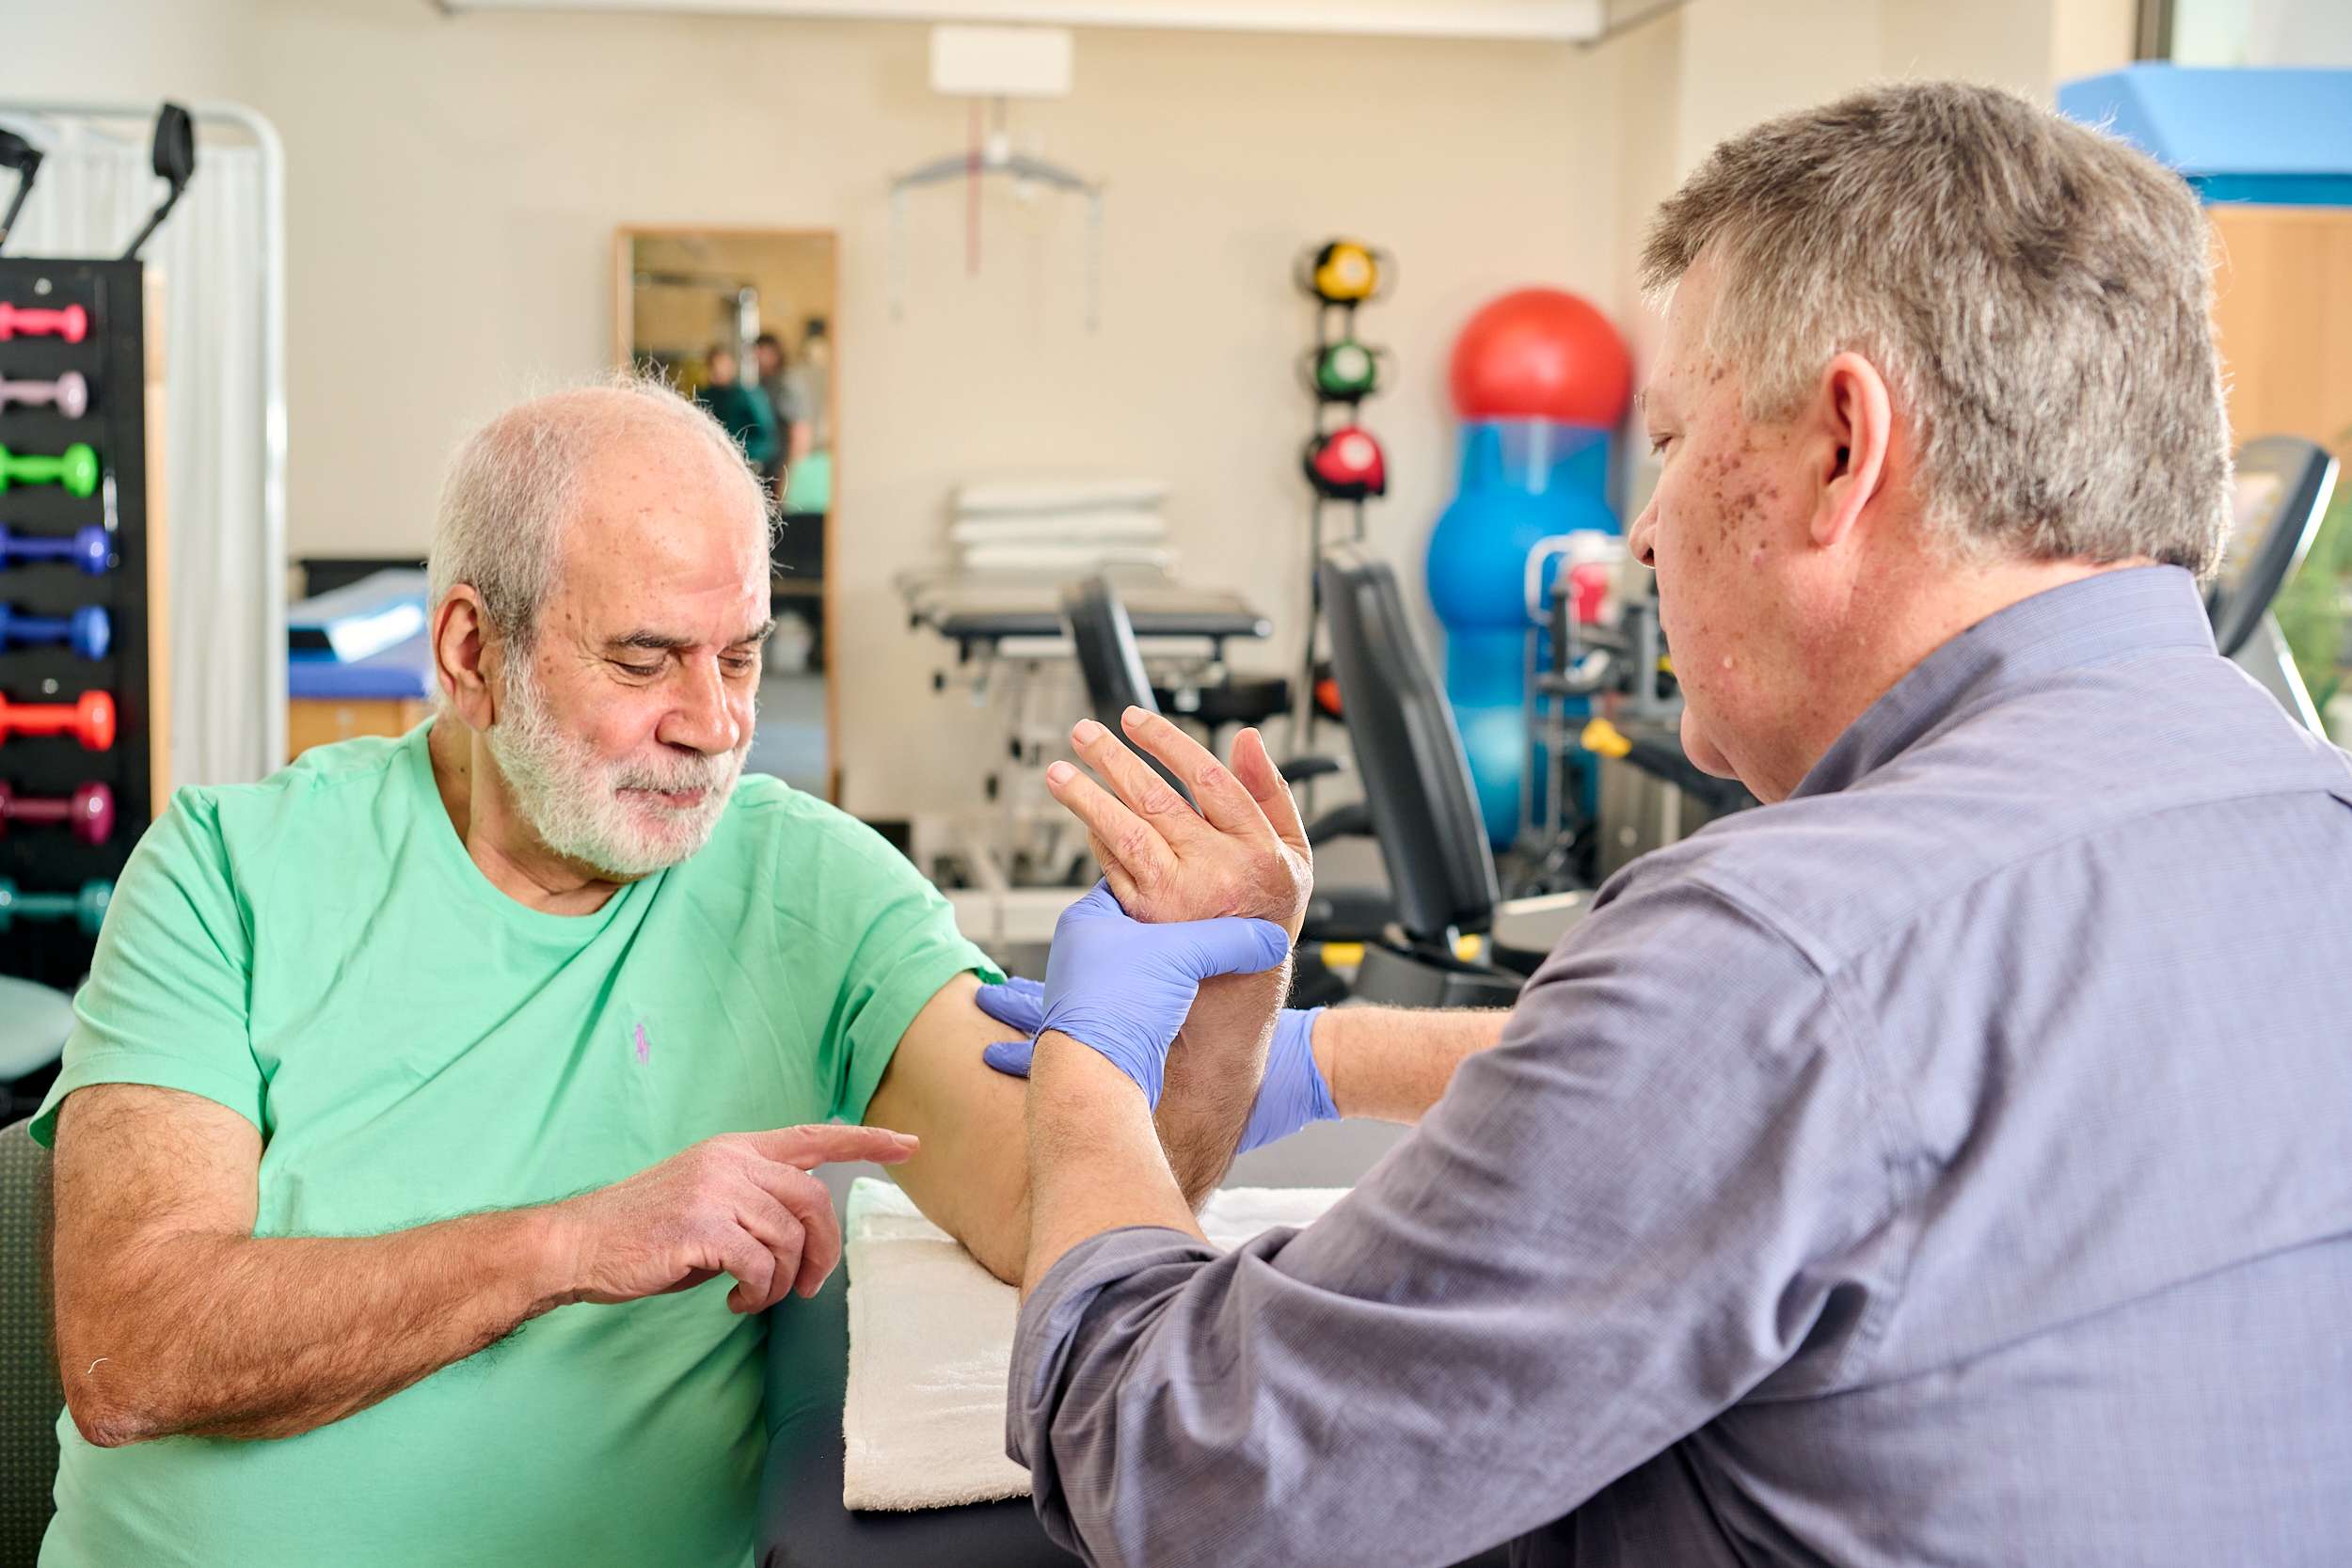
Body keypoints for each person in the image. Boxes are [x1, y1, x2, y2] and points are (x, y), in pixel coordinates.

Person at [993, 82, 2352, 1567]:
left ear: (1844, 447)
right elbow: (1906, 1098)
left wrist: (1092, 1070)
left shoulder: (1775, 945)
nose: (1639, 530)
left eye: (1670, 439)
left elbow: (1179, 1464)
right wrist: (1326, 1054)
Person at [32, 376, 1305, 1568]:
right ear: (472, 652)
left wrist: (1231, 995)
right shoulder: (227, 868)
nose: (713, 722)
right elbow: (132, 1347)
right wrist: (577, 1240)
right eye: (645, 660)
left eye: (741, 654)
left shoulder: (810, 885)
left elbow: (1060, 1209)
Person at [693, 342, 778, 473]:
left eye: (721, 364)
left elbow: (767, 437)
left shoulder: (748, 396)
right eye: (713, 365)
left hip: (745, 465)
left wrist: (743, 455)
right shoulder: (704, 397)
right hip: (713, 463)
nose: (717, 370)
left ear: (731, 365)